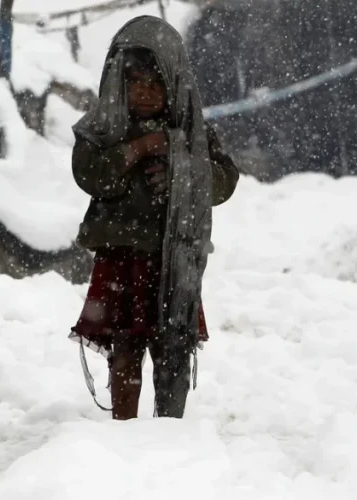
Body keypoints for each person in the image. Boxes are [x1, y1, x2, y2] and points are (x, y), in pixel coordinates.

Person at [68, 15, 239, 420]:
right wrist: (139, 148)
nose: (145, 91)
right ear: (119, 81)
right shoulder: (106, 127)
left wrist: (182, 166)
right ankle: (124, 429)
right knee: (124, 346)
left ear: (175, 81)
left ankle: (168, 432)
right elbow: (92, 176)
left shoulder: (189, 130)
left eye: (156, 81)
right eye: (136, 81)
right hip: (123, 256)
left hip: (172, 258)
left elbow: (225, 180)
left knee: (172, 346)